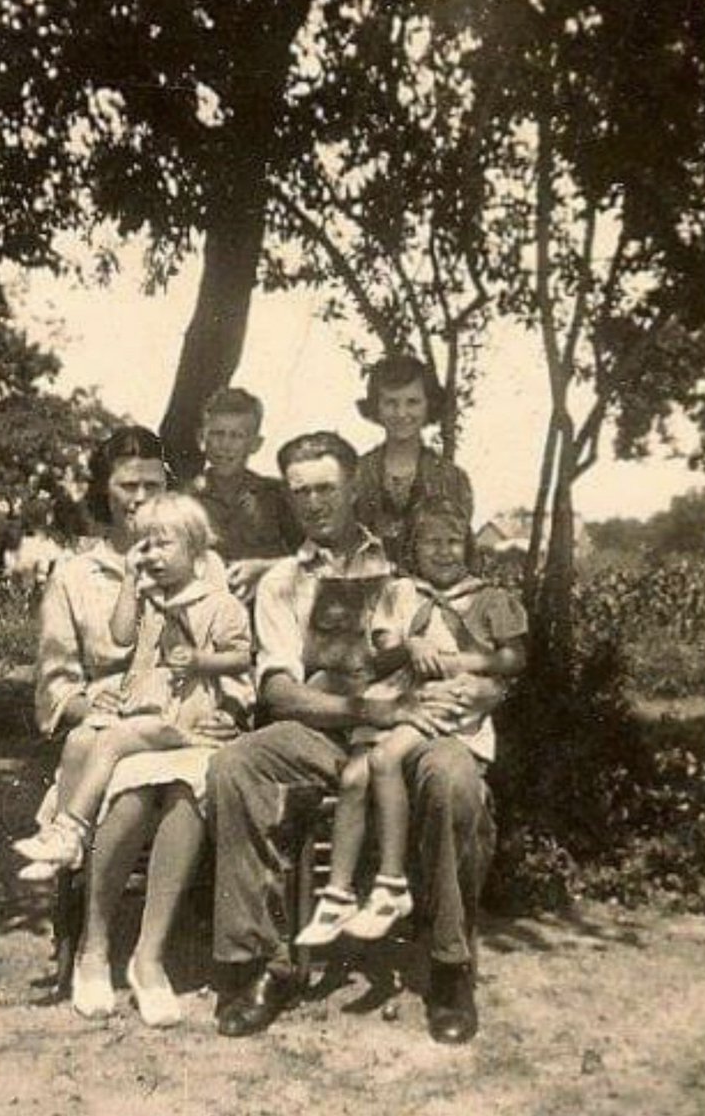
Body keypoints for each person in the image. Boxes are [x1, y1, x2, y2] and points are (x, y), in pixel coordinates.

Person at [208, 431, 504, 1044]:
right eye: (300, 493)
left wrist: (468, 693)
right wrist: (360, 706)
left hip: (413, 726)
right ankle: (268, 961)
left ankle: (450, 967)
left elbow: (476, 642)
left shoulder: (407, 559)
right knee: (237, 764)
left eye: (326, 488)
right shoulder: (282, 581)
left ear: (352, 489)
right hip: (328, 728)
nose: (314, 503)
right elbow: (279, 693)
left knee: (453, 777)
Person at [23, 427, 242, 1025]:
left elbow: (224, 644)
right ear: (105, 489)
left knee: (182, 777)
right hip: (107, 721)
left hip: (182, 715)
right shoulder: (77, 572)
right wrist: (87, 709)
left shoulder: (205, 563)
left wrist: (226, 707)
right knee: (109, 758)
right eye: (127, 485)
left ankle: (149, 957)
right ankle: (95, 948)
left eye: (152, 484)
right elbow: (55, 681)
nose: (140, 497)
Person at [295, 504, 527, 946]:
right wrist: (412, 644)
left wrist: (459, 661)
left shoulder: (489, 598)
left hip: (451, 698)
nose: (442, 551)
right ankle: (339, 894)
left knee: (383, 760)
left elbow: (513, 659)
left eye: (453, 541)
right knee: (353, 776)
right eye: (431, 542)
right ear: (415, 548)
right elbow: (382, 648)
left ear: (470, 547)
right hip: (399, 693)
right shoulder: (401, 592)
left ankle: (390, 884)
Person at [15, 493, 253, 877]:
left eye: (164, 545)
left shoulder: (218, 602)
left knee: (111, 741)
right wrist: (130, 577)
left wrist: (200, 661)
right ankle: (65, 844)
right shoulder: (148, 598)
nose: (153, 556)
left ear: (194, 547)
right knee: (79, 741)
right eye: (146, 546)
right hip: (143, 709)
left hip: (186, 714)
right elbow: (121, 636)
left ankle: (71, 829)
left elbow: (242, 657)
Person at [355, 355, 473, 570]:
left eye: (412, 402)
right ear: (376, 407)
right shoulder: (356, 475)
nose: (402, 413)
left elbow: (461, 555)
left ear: (429, 405)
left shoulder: (452, 479)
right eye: (391, 402)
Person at [190, 387, 299, 602]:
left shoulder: (277, 497)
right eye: (217, 434)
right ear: (201, 437)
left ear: (255, 444)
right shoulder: (185, 500)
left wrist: (266, 568)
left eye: (237, 436)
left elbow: (313, 560)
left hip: (266, 616)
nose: (225, 445)